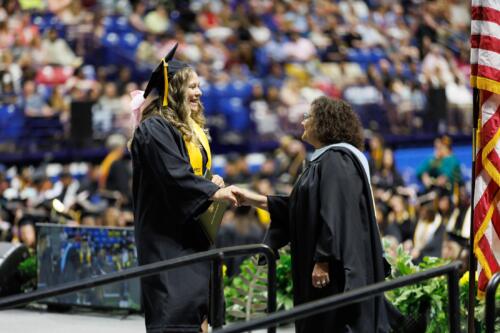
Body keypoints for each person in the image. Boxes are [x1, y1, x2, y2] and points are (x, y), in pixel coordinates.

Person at [235, 96, 390, 333]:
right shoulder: (324, 161)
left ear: (324, 122)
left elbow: (335, 213)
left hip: (333, 274)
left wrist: (323, 259)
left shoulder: (337, 160)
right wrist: (250, 199)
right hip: (321, 269)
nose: (303, 122)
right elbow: (300, 208)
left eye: (308, 116)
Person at [129, 43, 238, 333]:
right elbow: (174, 177)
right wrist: (211, 191)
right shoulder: (153, 129)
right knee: (175, 314)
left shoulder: (192, 130)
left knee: (199, 313)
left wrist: (211, 184)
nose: (198, 92)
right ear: (173, 89)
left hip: (193, 235)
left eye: (199, 86)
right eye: (191, 86)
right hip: (168, 241)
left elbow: (191, 177)